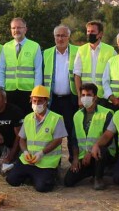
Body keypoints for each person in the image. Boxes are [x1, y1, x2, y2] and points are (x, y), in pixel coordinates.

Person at [6, 85, 67, 192]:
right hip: (28, 160)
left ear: (46, 101)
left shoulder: (56, 118)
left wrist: (41, 153)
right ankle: (32, 176)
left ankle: (52, 174)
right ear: (31, 100)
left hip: (46, 162)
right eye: (34, 101)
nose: (37, 104)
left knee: (42, 188)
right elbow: (21, 139)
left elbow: (58, 140)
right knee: (11, 180)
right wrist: (24, 152)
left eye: (40, 101)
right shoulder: (28, 118)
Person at [64, 83, 114, 190]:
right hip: (84, 156)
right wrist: (76, 159)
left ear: (95, 97)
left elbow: (107, 138)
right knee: (68, 181)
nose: (85, 98)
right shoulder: (77, 115)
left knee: (101, 151)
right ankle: (92, 171)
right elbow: (74, 139)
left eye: (88, 95)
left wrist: (91, 153)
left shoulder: (107, 113)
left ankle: (98, 178)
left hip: (101, 154)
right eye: (83, 95)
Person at [43, 25, 79, 161]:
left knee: (72, 131)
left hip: (70, 99)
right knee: (52, 132)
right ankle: (53, 162)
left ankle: (73, 161)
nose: (60, 38)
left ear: (69, 37)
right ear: (54, 37)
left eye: (63, 35)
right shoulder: (46, 53)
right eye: (57, 35)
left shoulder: (78, 51)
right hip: (52, 100)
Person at [0, 17, 43, 113]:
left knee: (27, 119)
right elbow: (1, 70)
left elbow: (38, 70)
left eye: (19, 27)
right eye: (13, 28)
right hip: (9, 91)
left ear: (25, 29)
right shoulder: (6, 47)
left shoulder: (34, 46)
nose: (16, 30)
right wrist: (1, 90)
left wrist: (36, 92)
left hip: (28, 92)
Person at [73, 20, 116, 108]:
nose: (89, 34)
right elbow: (77, 75)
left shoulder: (110, 51)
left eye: (92, 31)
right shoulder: (81, 50)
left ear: (100, 34)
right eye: (88, 31)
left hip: (103, 97)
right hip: (86, 97)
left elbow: (115, 75)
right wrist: (80, 96)